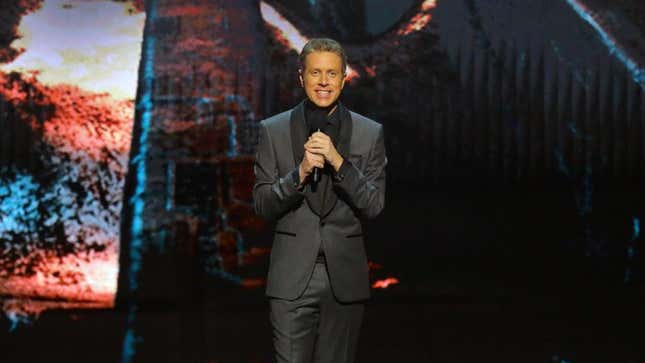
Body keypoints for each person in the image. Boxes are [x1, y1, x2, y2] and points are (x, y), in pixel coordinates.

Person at [253, 38, 387, 363]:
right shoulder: (273, 131)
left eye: (331, 73)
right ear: (302, 77)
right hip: (291, 279)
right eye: (316, 73)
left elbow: (374, 205)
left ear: (344, 78)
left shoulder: (369, 133)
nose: (324, 81)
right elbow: (263, 205)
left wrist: (339, 162)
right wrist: (298, 173)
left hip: (344, 277)